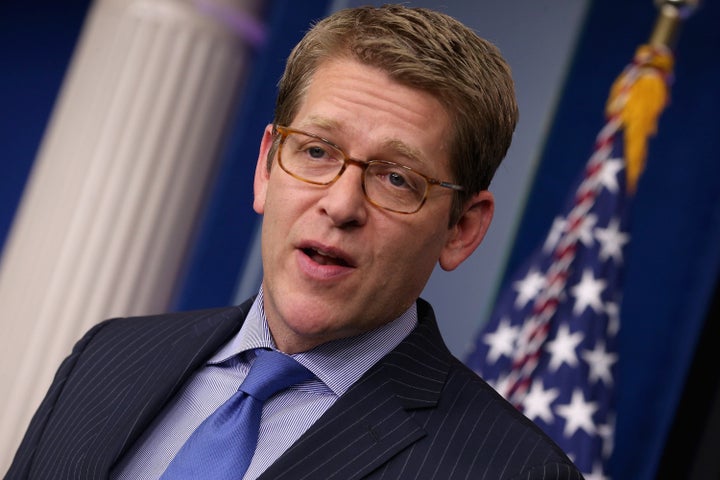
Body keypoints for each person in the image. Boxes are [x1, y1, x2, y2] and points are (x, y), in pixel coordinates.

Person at [6, 4, 584, 479]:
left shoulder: (511, 471)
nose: (340, 204)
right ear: (266, 166)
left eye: (396, 178)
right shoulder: (108, 355)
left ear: (461, 230)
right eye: (316, 151)